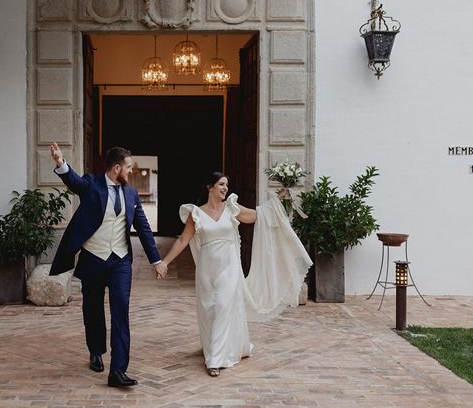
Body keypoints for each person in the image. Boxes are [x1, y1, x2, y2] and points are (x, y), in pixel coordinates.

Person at [161, 172, 312, 377]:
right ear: (210, 188)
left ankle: (214, 361)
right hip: (206, 270)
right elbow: (182, 241)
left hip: (229, 268)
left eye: (226, 185)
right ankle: (214, 347)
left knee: (223, 305)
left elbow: (259, 214)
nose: (225, 188)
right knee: (210, 310)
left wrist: (278, 199)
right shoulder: (196, 213)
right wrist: (165, 262)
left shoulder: (232, 208)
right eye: (221, 184)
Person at [49, 142, 168, 388]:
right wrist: (61, 163)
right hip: (93, 258)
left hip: (120, 261)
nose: (130, 171)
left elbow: (143, 228)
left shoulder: (132, 194)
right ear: (116, 168)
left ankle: (118, 370)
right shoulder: (92, 185)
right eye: (128, 167)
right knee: (92, 308)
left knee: (121, 310)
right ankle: (95, 350)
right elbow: (74, 182)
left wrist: (156, 260)